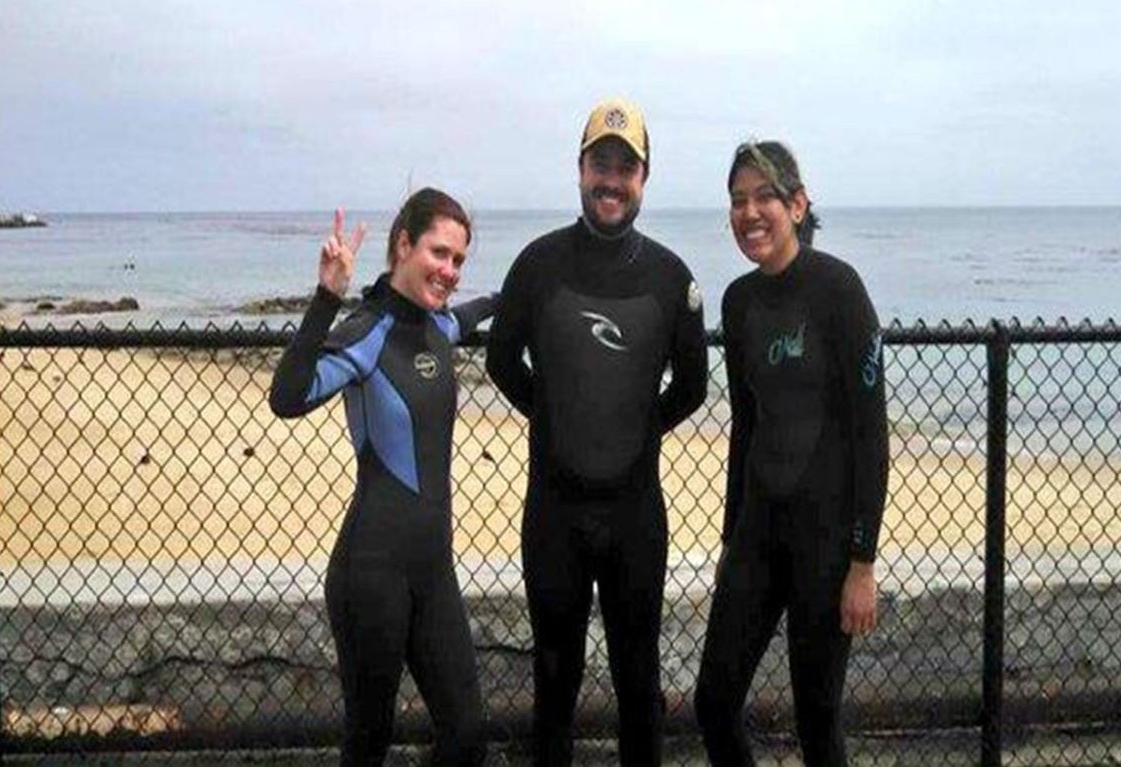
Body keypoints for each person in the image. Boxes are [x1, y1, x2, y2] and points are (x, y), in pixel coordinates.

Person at [485, 98, 708, 766]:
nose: (611, 180)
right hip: (553, 514)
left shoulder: (672, 278)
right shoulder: (537, 264)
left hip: (635, 515)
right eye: (600, 164)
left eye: (625, 167)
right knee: (555, 677)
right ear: (580, 169)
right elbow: (501, 362)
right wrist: (555, 417)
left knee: (638, 679)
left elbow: (693, 387)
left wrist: (638, 428)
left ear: (644, 177)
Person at [270, 189, 496, 766]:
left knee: (467, 734)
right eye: (439, 253)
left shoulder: (437, 327)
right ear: (403, 245)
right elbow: (288, 397)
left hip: (433, 572)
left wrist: (518, 294)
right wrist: (327, 297)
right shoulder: (367, 332)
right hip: (371, 574)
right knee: (370, 738)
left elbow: (468, 316)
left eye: (458, 260)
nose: (449, 271)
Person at [694, 141, 889, 767]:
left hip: (825, 545)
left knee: (817, 720)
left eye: (764, 197)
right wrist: (729, 540)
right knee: (713, 702)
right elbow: (745, 428)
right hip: (756, 537)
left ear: (797, 205)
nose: (749, 213)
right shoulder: (738, 302)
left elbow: (871, 434)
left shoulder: (839, 290)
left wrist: (862, 562)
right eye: (737, 200)